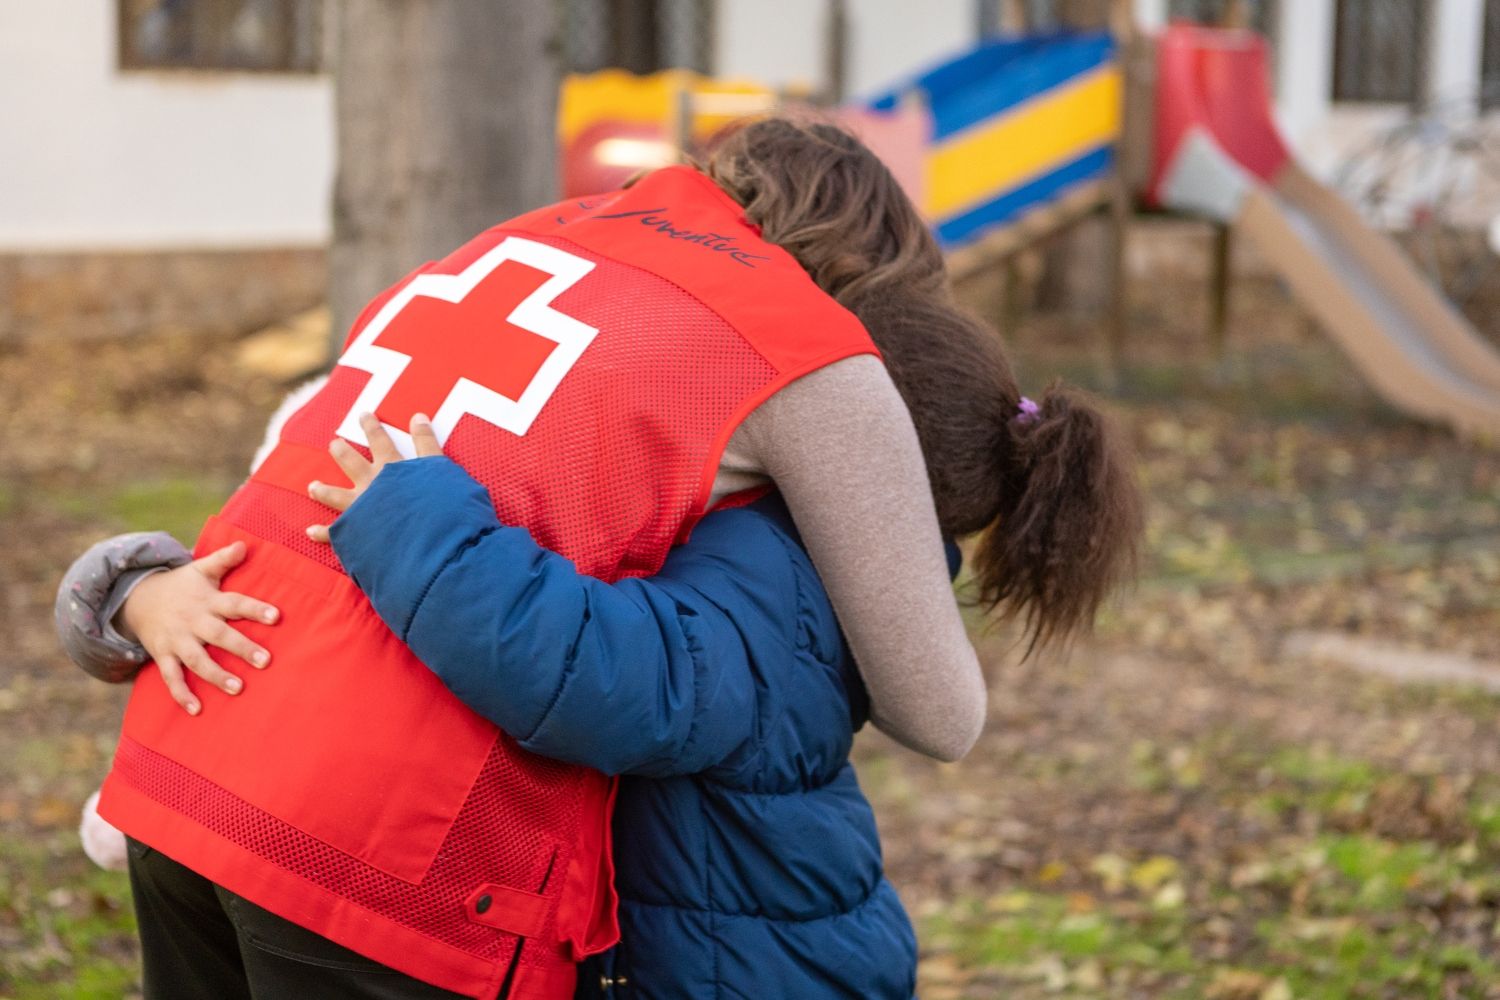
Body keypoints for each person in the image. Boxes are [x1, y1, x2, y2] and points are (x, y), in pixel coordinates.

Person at [58, 119, 1142, 997]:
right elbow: (940, 711)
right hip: (382, 828)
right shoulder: (807, 348)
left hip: (191, 738)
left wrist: (126, 593)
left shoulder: (527, 239)